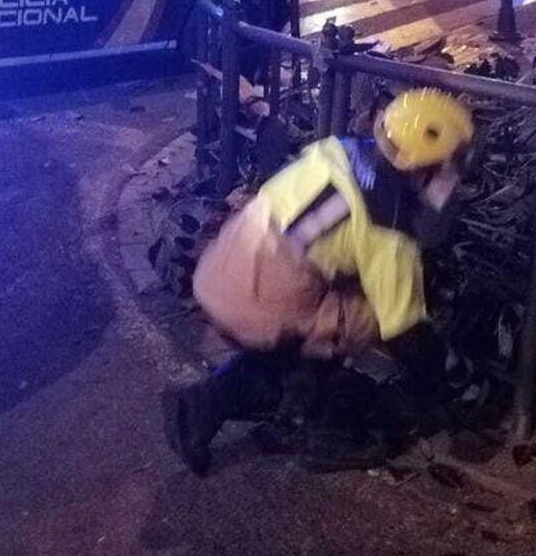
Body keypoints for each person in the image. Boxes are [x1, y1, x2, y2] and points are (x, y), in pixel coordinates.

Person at [161, 89, 475, 475]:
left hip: (226, 263)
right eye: (447, 169)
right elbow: (403, 330)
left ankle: (199, 409)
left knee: (300, 334)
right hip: (258, 297)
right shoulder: (388, 226)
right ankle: (311, 417)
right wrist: (442, 372)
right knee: (361, 320)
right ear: (424, 168)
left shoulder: (342, 150)